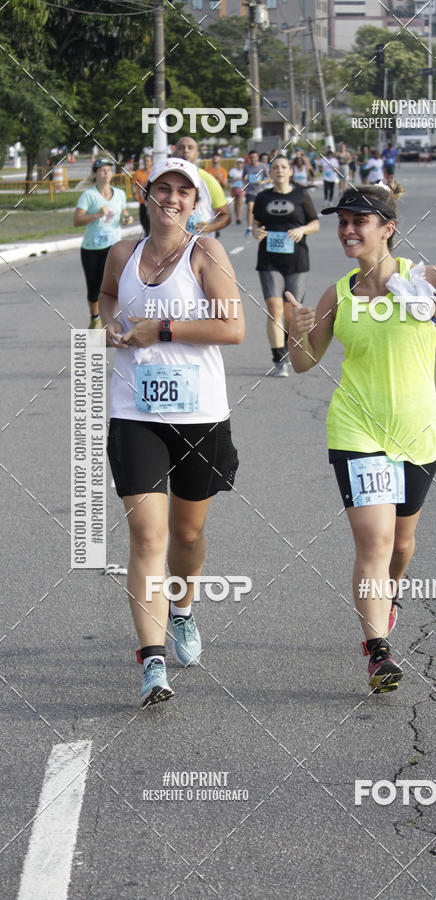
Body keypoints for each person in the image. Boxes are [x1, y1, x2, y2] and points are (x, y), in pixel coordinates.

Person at [287, 184, 436, 692]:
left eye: (359, 222)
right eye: (343, 222)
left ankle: (388, 594)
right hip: (357, 430)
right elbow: (304, 362)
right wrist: (294, 328)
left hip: (418, 430)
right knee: (375, 539)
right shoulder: (337, 294)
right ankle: (378, 652)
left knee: (401, 544)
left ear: (386, 229)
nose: (348, 230)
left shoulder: (424, 279)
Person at [98, 157, 245, 706]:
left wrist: (159, 329)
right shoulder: (123, 253)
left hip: (199, 413)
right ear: (148, 195)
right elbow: (107, 297)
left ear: (195, 203)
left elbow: (234, 328)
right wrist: (111, 325)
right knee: (147, 536)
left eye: (185, 191)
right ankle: (152, 661)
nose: (173, 198)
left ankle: (181, 609)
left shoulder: (206, 253)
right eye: (164, 188)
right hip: (135, 411)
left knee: (186, 534)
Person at [252, 155, 319, 377]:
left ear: (290, 171)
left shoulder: (301, 195)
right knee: (274, 309)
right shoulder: (263, 197)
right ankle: (279, 358)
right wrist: (256, 232)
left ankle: (289, 345)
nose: (279, 170)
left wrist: (302, 230)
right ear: (270, 173)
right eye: (275, 167)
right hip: (269, 259)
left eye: (283, 167)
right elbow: (256, 225)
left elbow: (315, 223)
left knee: (291, 313)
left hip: (297, 260)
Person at [73, 158, 134, 329]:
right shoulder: (89, 196)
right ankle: (95, 318)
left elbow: (124, 213)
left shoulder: (120, 194)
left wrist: (127, 218)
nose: (106, 173)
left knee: (112, 288)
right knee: (94, 289)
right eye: (101, 170)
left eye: (108, 169)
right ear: (94, 174)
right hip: (91, 248)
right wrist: (97, 215)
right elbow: (77, 220)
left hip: (113, 247)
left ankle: (110, 322)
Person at [173, 136, 231, 237]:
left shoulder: (208, 180)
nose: (186, 151)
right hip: (172, 243)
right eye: (181, 148)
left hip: (201, 243)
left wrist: (210, 227)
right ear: (174, 152)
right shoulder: (165, 179)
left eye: (190, 148)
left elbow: (226, 216)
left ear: (197, 154)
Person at [243, 149, 269, 236]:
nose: (253, 159)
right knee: (250, 208)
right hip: (250, 191)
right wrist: (245, 184)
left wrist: (263, 182)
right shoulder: (246, 167)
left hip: (261, 191)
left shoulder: (263, 166)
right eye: (251, 157)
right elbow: (243, 177)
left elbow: (269, 178)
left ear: (258, 157)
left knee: (262, 210)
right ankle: (249, 228)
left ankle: (262, 226)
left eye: (255, 157)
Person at [131, 154, 153, 234]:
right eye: (145, 161)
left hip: (152, 203)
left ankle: (149, 236)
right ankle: (147, 236)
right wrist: (134, 194)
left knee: (150, 224)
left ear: (151, 162)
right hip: (142, 202)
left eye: (148, 161)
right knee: (143, 222)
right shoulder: (138, 173)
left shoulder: (154, 172)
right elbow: (134, 185)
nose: (146, 163)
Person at [228, 157, 245, 225]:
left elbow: (247, 180)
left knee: (240, 203)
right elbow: (229, 180)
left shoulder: (244, 171)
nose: (240, 164)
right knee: (236, 204)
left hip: (241, 188)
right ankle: (237, 216)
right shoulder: (232, 171)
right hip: (234, 188)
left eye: (241, 163)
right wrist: (236, 179)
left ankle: (239, 218)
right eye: (238, 163)